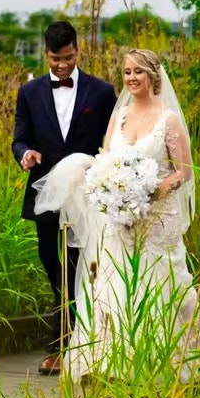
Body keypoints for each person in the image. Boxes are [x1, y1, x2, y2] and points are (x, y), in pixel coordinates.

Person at [34, 48, 200, 383]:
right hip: (116, 218)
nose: (131, 78)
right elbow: (108, 160)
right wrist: (109, 188)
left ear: (153, 75)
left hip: (155, 218)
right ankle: (109, 358)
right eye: (127, 72)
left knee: (157, 280)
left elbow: (183, 172)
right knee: (110, 284)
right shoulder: (121, 115)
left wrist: (152, 191)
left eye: (138, 72)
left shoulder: (167, 120)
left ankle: (161, 353)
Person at [12, 21, 117, 376]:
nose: (62, 65)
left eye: (68, 58)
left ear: (78, 51)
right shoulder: (29, 93)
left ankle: (66, 346)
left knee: (78, 265)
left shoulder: (102, 93)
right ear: (46, 54)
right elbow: (20, 138)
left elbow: (114, 142)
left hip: (87, 198)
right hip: (45, 197)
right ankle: (67, 336)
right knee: (52, 266)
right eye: (56, 59)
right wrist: (25, 154)